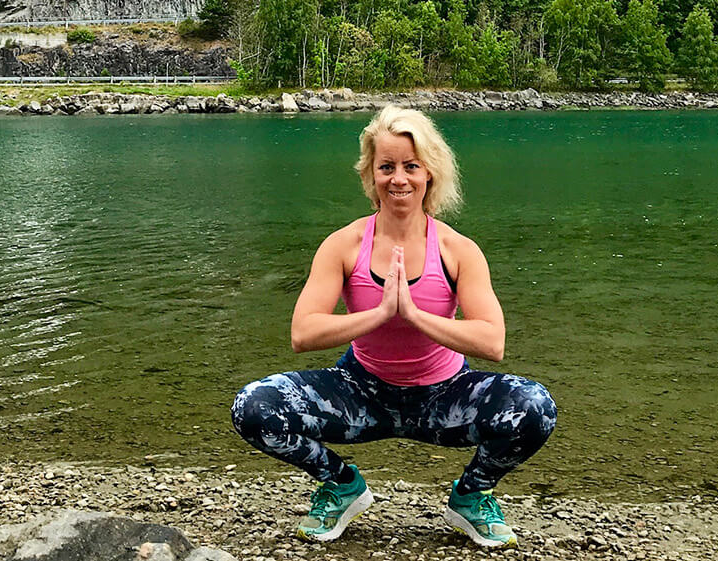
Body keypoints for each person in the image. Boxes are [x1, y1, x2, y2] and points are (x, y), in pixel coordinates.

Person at [231, 105, 556, 548]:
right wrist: (380, 314)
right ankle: (340, 484)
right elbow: (302, 333)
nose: (398, 179)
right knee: (253, 406)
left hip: (444, 397)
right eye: (386, 167)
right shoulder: (344, 244)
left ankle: (472, 495)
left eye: (411, 166)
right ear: (371, 175)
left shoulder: (458, 250)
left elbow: (492, 341)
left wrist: (418, 317)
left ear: (430, 174)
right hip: (361, 393)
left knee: (535, 407)